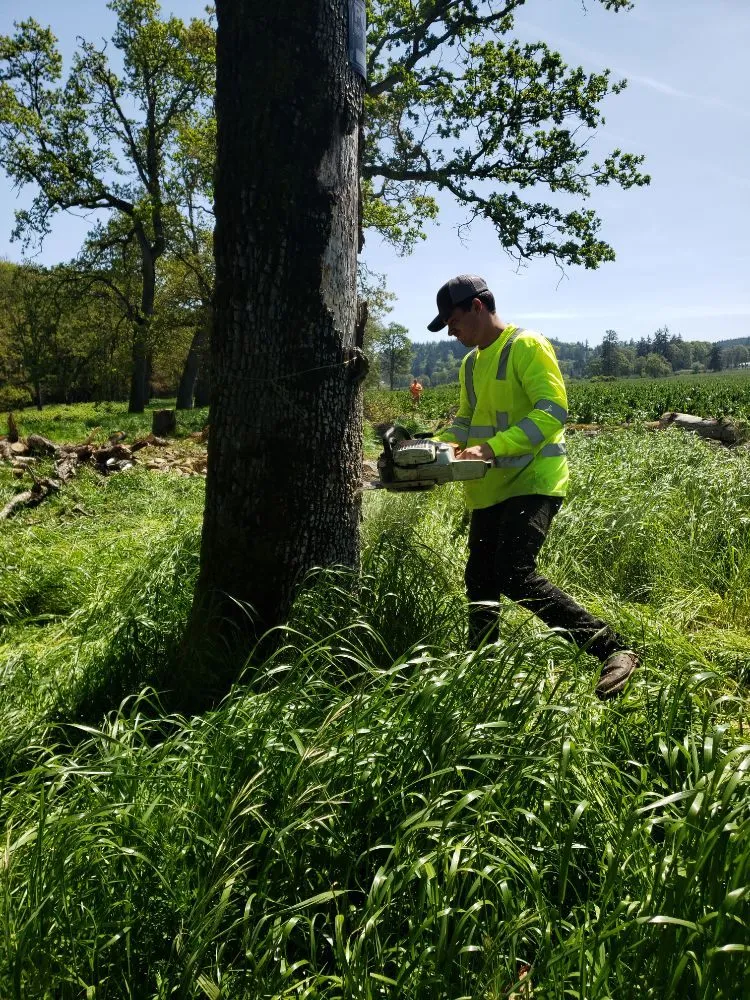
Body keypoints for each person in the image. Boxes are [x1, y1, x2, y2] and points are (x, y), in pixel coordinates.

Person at [428, 274, 639, 700]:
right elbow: (467, 420)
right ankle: (481, 673)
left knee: (512, 572)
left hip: (534, 480)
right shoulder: (471, 364)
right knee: (480, 579)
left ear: (477, 307)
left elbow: (552, 411)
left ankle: (614, 649)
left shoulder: (525, 345)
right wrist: (439, 447)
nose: (450, 331)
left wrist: (491, 449)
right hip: (490, 489)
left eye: (452, 321)